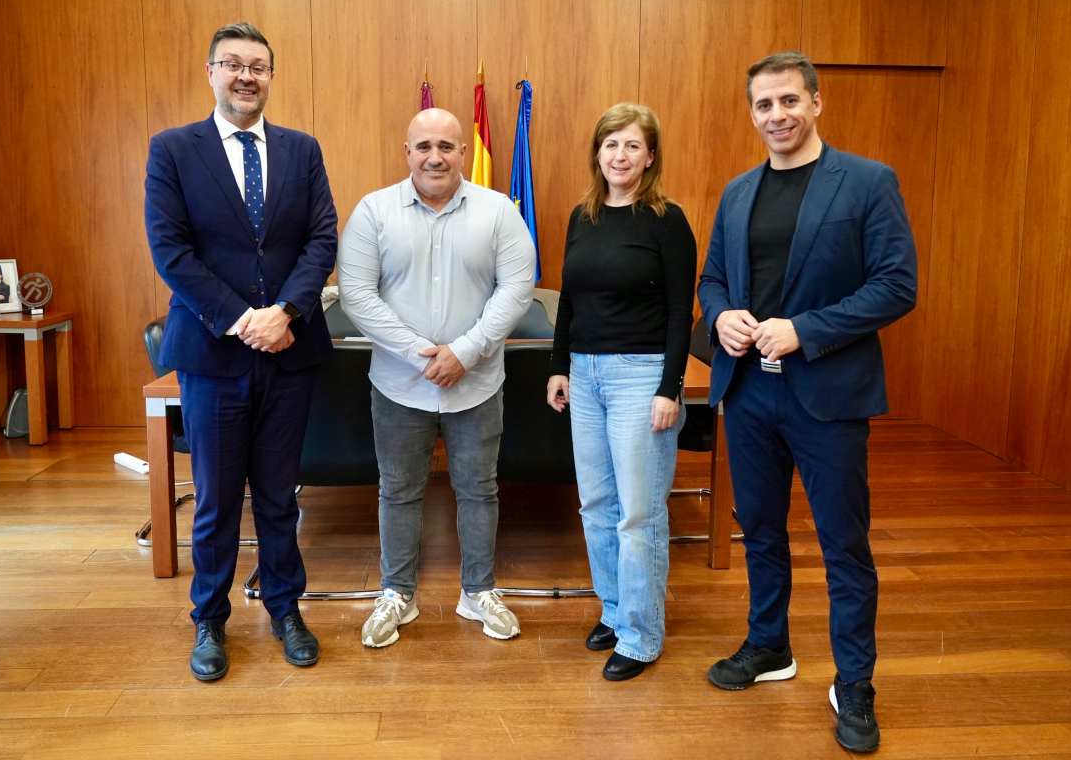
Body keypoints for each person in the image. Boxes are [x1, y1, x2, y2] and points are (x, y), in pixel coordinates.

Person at [698, 51, 917, 752]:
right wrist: (723, 314)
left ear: (816, 102)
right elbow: (711, 281)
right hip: (749, 393)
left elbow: (895, 285)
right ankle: (770, 646)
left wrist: (805, 331)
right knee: (759, 529)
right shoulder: (737, 192)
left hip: (827, 396)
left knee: (842, 545)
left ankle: (854, 682)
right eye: (764, 105)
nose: (777, 115)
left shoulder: (868, 182)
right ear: (752, 113)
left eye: (789, 100)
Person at [144, 22, 338, 681]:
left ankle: (286, 609)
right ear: (211, 73)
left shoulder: (302, 150)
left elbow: (321, 240)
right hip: (212, 354)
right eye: (233, 64)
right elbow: (171, 252)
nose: (246, 75)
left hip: (290, 350)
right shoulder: (172, 150)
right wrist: (241, 319)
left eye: (258, 65)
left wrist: (284, 312)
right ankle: (210, 621)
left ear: (271, 77)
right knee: (217, 499)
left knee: (280, 494)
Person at [338, 108, 535, 649]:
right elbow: (356, 293)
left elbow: (518, 288)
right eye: (423, 145)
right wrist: (421, 353)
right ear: (407, 152)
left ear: (463, 153)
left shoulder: (499, 212)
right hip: (399, 384)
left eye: (447, 146)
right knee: (399, 491)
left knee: (478, 489)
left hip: (477, 384)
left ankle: (478, 593)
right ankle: (397, 593)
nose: (435, 156)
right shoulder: (373, 212)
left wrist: (465, 353)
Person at [546, 103, 696, 682]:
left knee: (638, 513)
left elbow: (682, 310)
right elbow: (569, 300)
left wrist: (670, 387)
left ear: (650, 156)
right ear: (598, 153)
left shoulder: (666, 219)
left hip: (642, 376)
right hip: (585, 375)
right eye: (611, 145)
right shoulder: (583, 216)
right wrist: (560, 366)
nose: (620, 156)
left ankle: (641, 633)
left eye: (633, 146)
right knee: (597, 506)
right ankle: (614, 609)